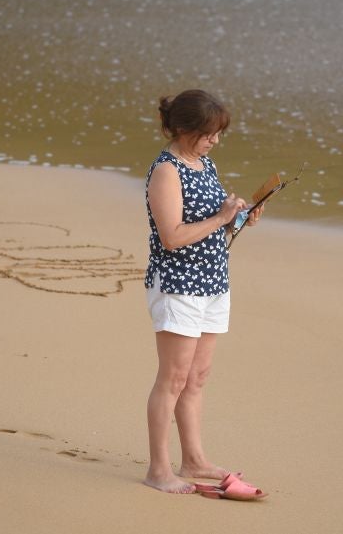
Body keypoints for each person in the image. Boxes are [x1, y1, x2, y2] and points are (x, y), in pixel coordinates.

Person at [143, 89, 264, 494]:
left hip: (212, 282)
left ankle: (193, 459)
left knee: (197, 377)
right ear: (183, 128)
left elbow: (214, 225)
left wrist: (241, 219)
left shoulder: (203, 163)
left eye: (218, 134)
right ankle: (158, 470)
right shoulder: (166, 171)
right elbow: (173, 237)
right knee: (173, 378)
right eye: (208, 133)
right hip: (178, 285)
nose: (215, 140)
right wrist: (222, 216)